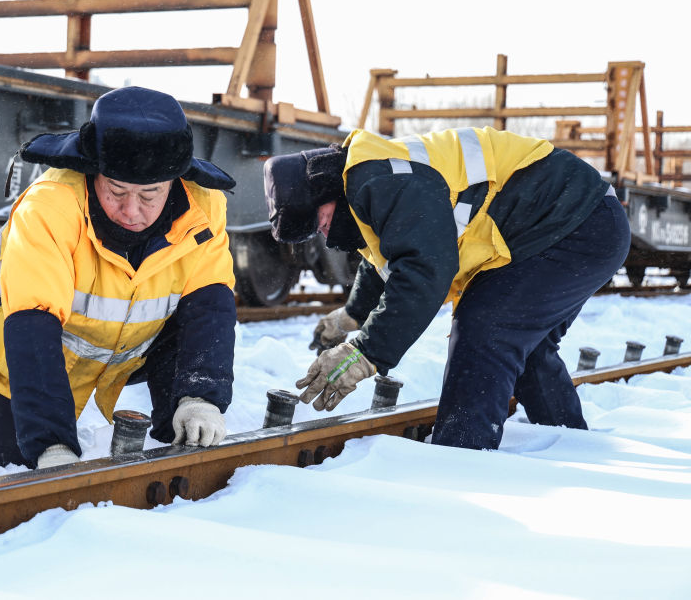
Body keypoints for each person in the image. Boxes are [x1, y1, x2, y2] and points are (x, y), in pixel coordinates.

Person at [0, 86, 238, 469]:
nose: (131, 210)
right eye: (116, 190)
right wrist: (52, 443)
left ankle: (181, 421)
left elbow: (209, 309)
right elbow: (32, 324)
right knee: (6, 457)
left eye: (149, 195)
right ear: (93, 171)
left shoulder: (202, 209)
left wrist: (201, 398)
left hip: (118, 341)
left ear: (174, 181)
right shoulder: (50, 206)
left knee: (189, 389)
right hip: (10, 335)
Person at [262, 126, 630, 450]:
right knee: (524, 348)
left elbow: (425, 269)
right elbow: (391, 256)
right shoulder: (370, 181)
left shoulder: (379, 180)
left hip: (578, 223)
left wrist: (367, 351)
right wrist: (352, 316)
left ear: (325, 187)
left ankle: (461, 456)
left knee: (487, 326)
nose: (323, 233)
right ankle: (570, 443)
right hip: (576, 223)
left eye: (319, 219)